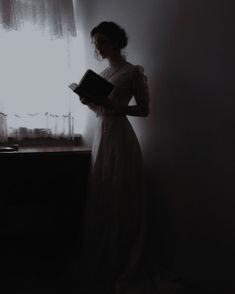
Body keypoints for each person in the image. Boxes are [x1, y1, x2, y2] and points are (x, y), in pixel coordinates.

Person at [78, 21, 150, 294]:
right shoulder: (104, 72)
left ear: (116, 41)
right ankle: (104, 259)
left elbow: (143, 110)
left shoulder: (133, 72)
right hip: (103, 134)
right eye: (96, 43)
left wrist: (113, 106)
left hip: (120, 136)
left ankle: (122, 260)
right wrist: (91, 102)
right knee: (103, 191)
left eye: (102, 42)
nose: (98, 47)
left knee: (119, 192)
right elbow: (101, 111)